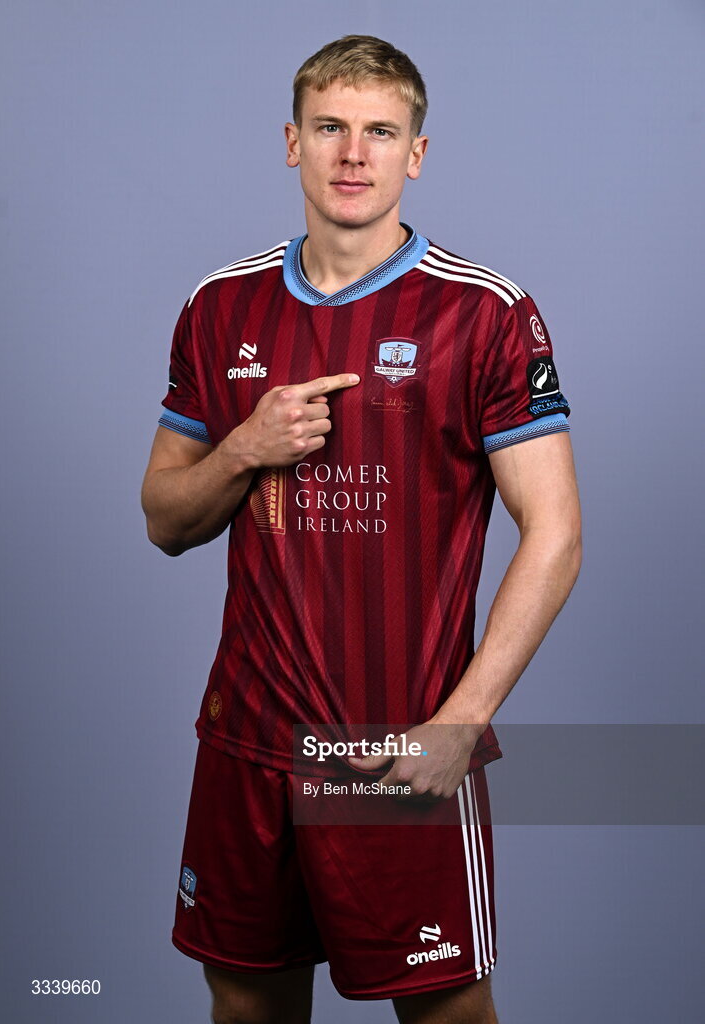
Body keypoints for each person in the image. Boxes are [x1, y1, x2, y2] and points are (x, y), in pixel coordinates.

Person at [141, 33, 581, 1024]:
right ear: (291, 142)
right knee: (245, 1003)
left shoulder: (485, 315)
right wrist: (246, 445)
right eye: (331, 128)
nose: (353, 153)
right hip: (246, 740)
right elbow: (165, 518)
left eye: (380, 132)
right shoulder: (221, 309)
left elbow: (555, 533)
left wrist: (459, 722)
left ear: (414, 154)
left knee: (444, 1011)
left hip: (390, 752)